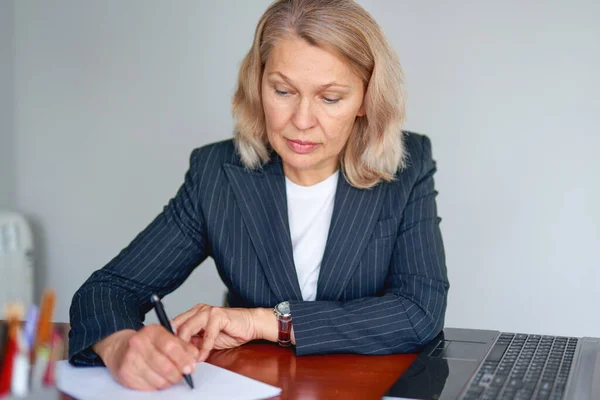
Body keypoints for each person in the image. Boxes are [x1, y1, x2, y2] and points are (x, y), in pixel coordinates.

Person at [69, 0, 449, 391]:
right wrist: (119, 345)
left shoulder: (407, 167)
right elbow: (107, 289)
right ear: (258, 84)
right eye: (283, 91)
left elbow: (418, 311)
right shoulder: (216, 173)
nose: (301, 121)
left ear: (366, 100)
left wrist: (266, 322)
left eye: (330, 98)